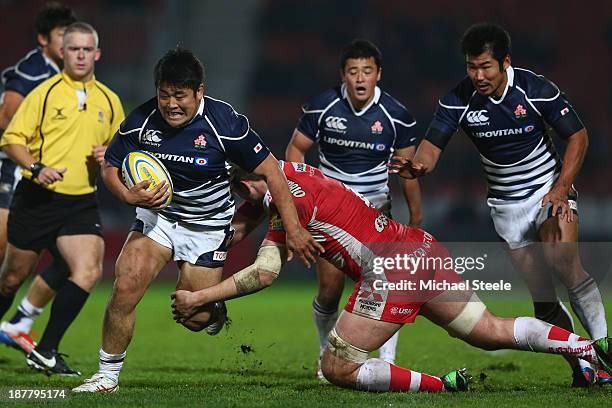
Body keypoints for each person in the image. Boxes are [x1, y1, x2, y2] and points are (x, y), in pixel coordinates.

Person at [170, 160, 612, 393]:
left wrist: (199, 297)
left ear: (245, 184)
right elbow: (248, 225)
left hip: (389, 270)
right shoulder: (292, 176)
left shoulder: (288, 203)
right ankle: (590, 347)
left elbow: (266, 272)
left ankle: (440, 388)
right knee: (489, 330)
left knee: (337, 367)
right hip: (418, 246)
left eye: (233, 194)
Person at [72, 48, 323, 393]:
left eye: (180, 96)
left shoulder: (227, 124)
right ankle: (107, 377)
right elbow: (111, 165)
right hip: (159, 216)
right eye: (164, 95)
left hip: (206, 226)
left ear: (199, 92)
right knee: (126, 283)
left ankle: (213, 310)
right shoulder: (141, 120)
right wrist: (128, 196)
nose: (171, 104)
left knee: (194, 317)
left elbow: (273, 173)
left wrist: (293, 229)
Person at [388, 23, 609, 386]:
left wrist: (561, 188)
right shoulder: (457, 100)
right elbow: (430, 150)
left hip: (547, 193)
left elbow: (578, 136)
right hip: (506, 207)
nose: (478, 75)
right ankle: (583, 367)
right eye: (472, 67)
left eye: (485, 66)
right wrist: (417, 167)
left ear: (505, 62)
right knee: (542, 299)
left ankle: (604, 351)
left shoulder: (535, 89)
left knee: (564, 262)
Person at [285, 39, 422, 375]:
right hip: (331, 214)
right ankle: (324, 352)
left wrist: (416, 218)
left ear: (379, 75)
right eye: (353, 72)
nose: (360, 78)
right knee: (330, 291)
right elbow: (294, 151)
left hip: (376, 213)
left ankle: (387, 360)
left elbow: (407, 172)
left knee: (386, 286)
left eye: (367, 71)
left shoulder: (397, 116)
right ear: (343, 75)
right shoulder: (322, 107)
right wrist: (304, 197)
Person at [0, 22, 124, 376]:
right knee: (11, 279)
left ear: (97, 54)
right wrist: (36, 167)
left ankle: (47, 349)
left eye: (87, 49)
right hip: (37, 197)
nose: (81, 55)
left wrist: (109, 155)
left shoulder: (110, 101)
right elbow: (11, 140)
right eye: (74, 49)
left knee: (87, 270)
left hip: (80, 202)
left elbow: (120, 151)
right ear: (63, 52)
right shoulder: (44, 93)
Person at [0, 1, 77, 355]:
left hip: (51, 181)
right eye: (62, 34)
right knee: (9, 268)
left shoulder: (69, 76)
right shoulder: (31, 72)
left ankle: (21, 324)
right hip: (14, 173)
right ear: (44, 38)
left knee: (72, 259)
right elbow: (7, 120)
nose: (67, 42)